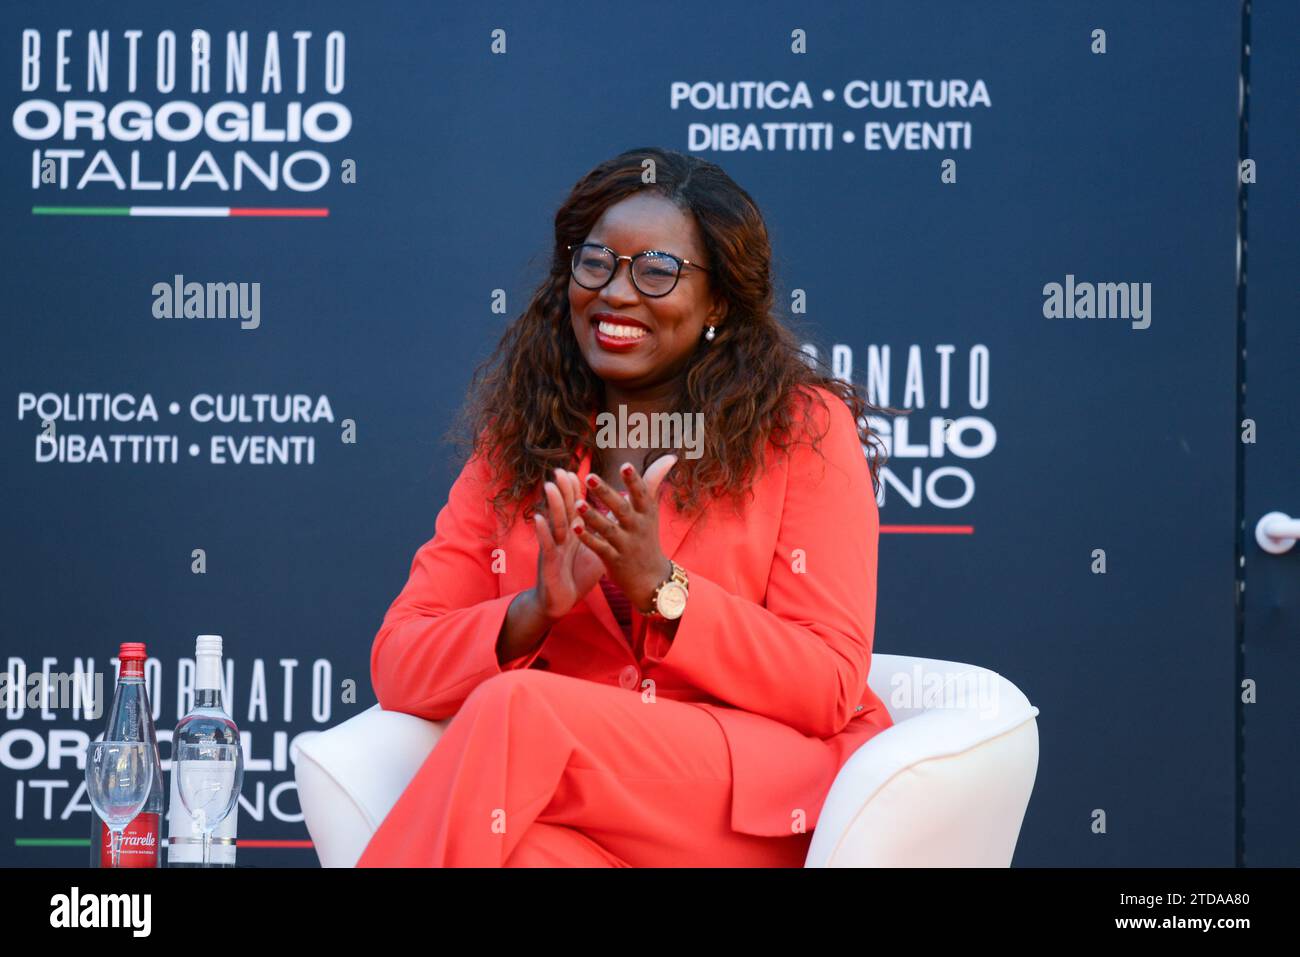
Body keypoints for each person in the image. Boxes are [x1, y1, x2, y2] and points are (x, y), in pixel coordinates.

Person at [356, 146, 894, 867]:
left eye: (657, 271)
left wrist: (663, 588)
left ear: (719, 303)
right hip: (579, 810)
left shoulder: (800, 430)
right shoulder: (521, 441)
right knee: (519, 852)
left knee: (516, 711)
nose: (615, 291)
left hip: (748, 807)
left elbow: (829, 682)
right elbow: (399, 661)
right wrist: (532, 611)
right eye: (596, 262)